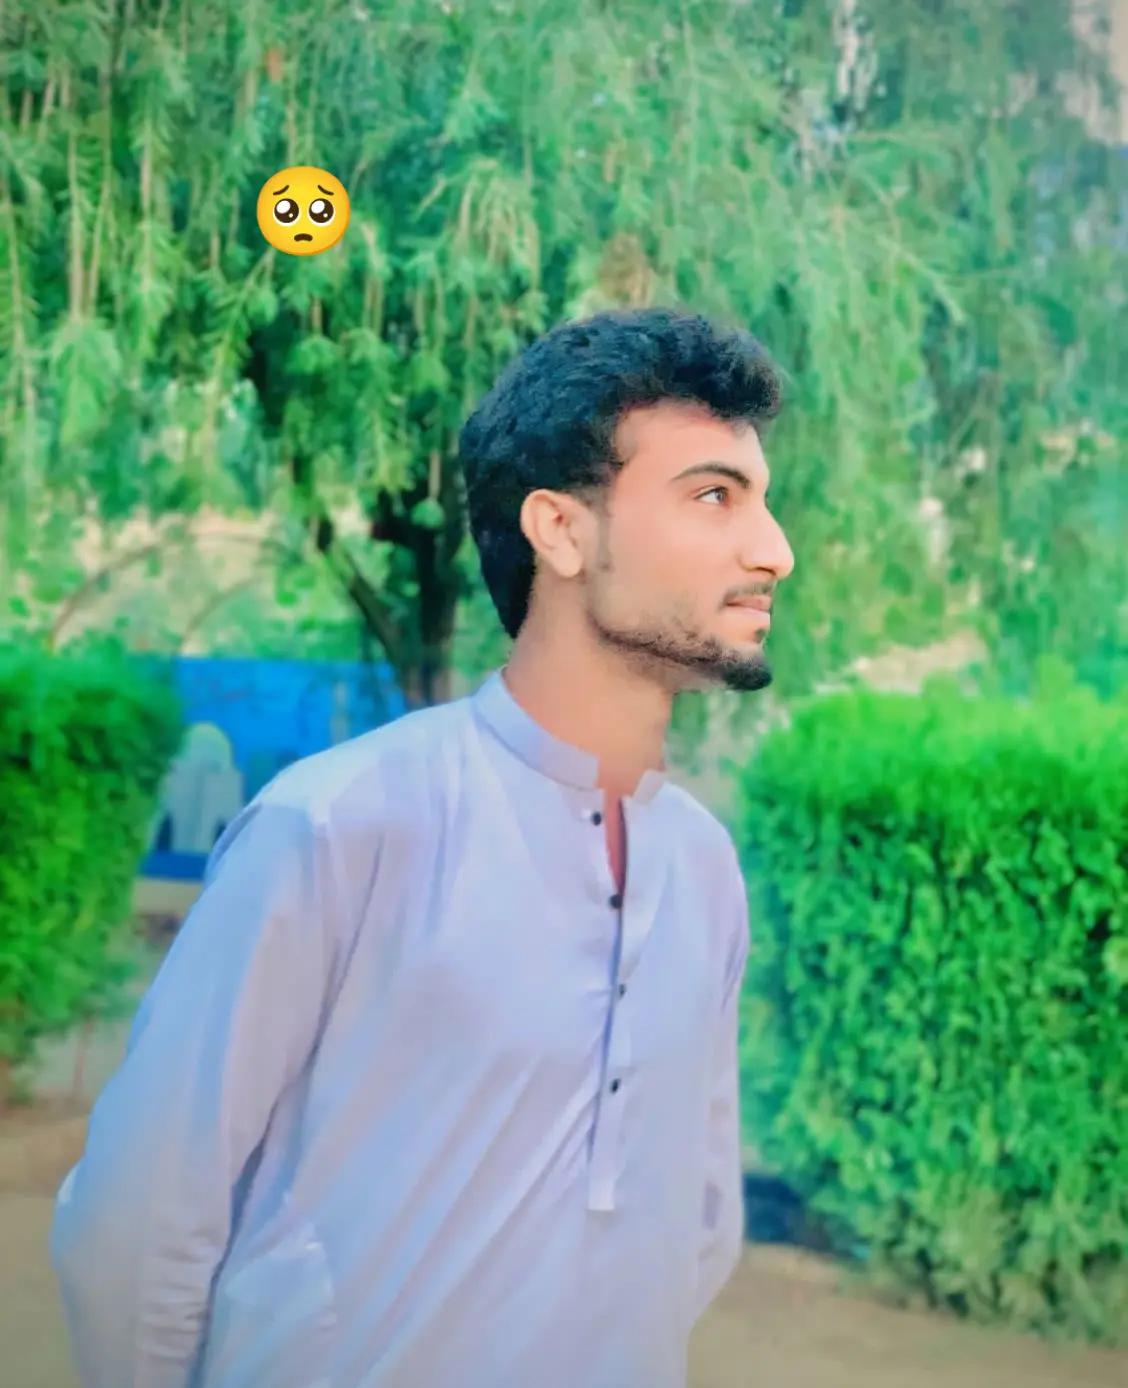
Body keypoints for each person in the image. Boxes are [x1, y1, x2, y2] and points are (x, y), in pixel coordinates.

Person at [49, 305, 796, 1387]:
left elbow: (695, 1220)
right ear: (560, 530)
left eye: (762, 500)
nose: (773, 549)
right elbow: (137, 1222)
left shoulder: (703, 869)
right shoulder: (341, 827)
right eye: (714, 496)